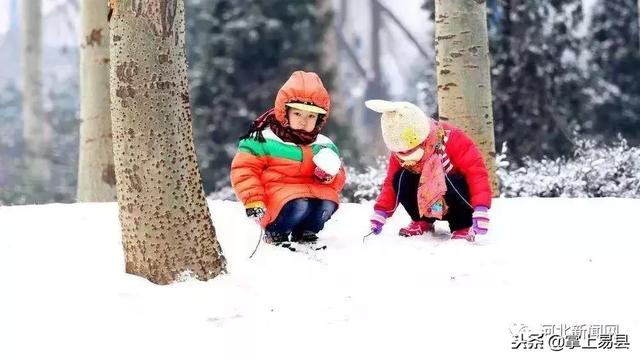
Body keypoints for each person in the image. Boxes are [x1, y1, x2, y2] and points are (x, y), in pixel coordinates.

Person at [230, 71, 346, 244]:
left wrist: (329, 176)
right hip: (275, 198)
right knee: (298, 204)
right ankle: (277, 231)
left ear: (320, 119)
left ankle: (306, 230)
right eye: (298, 114)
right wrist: (253, 200)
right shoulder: (263, 139)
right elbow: (244, 170)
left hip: (312, 194)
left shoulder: (324, 145)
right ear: (285, 112)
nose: (303, 121)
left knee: (326, 203)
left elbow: (339, 176)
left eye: (311, 116)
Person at [366, 100, 491, 242]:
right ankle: (422, 220)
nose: (405, 154)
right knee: (401, 177)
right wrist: (381, 211)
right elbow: (390, 183)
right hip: (427, 204)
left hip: (455, 200)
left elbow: (476, 173)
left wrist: (481, 207)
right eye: (401, 152)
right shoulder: (399, 153)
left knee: (449, 177)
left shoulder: (451, 138)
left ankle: (462, 225)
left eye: (411, 149)